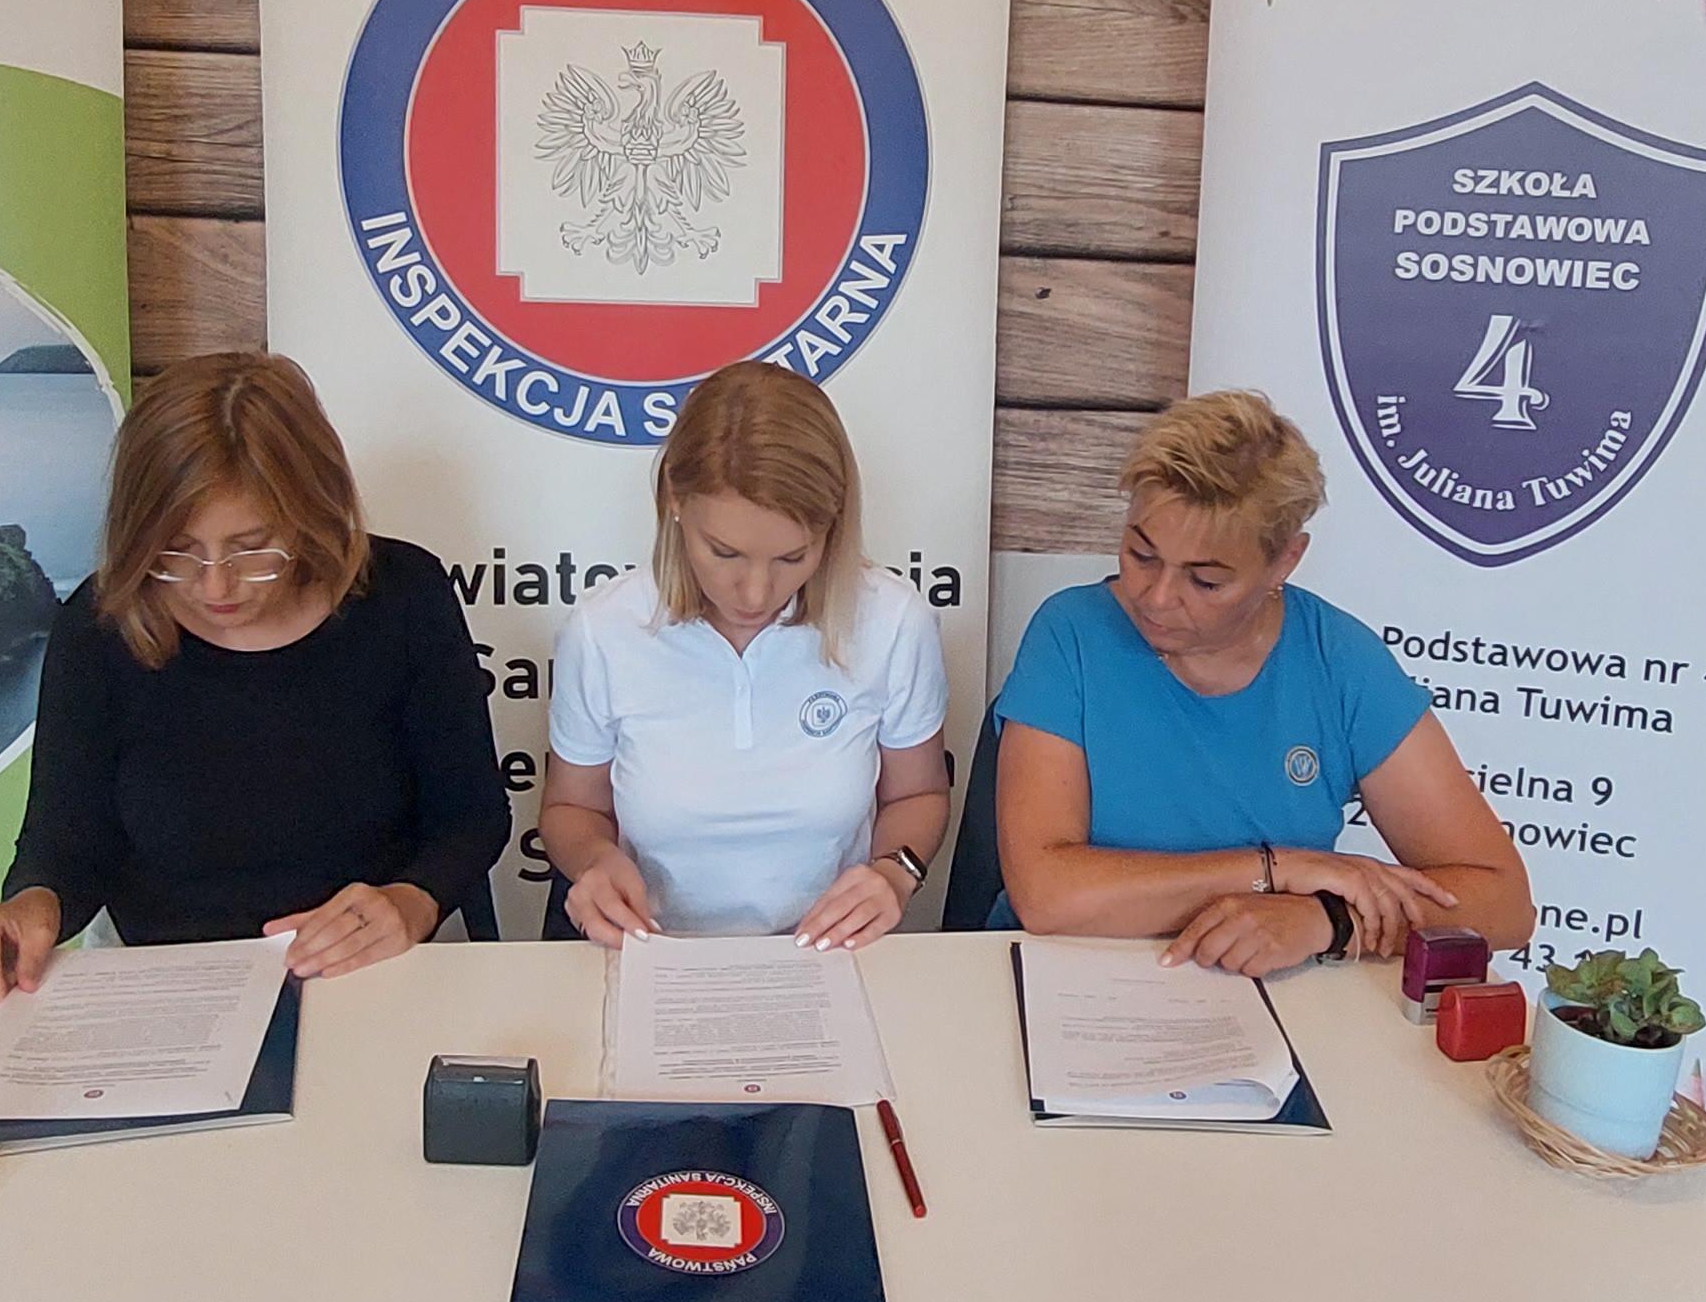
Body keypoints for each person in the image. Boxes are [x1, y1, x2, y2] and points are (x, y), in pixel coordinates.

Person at [0, 353, 504, 1004]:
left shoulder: (403, 596)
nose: (215, 586)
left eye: (251, 548)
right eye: (176, 552)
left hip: (369, 974)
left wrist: (412, 900)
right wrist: (28, 909)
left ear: (312, 515)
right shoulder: (101, 624)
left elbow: (471, 816)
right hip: (166, 986)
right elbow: (67, 843)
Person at [993, 390, 1533, 975]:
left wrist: (1328, 919)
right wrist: (1276, 870)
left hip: (1265, 994)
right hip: (1063, 977)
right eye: (1141, 554)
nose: (1157, 597)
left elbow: (1504, 903)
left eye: (1205, 581)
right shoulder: (1071, 632)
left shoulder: (1338, 660)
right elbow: (1046, 895)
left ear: (1284, 562)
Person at [541, 363, 951, 949]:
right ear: (673, 499)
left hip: (828, 954)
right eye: (725, 552)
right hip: (654, 951)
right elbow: (570, 808)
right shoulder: (605, 630)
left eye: (792, 558)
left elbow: (918, 794)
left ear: (832, 528)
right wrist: (594, 862)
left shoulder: (891, 621)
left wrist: (894, 872)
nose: (756, 594)